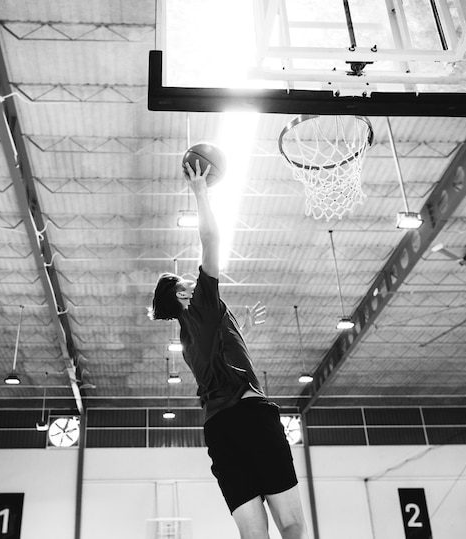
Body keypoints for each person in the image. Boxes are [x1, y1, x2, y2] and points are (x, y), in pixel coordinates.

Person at [149, 159, 309, 539]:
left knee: (253, 534)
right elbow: (211, 240)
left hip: (219, 431)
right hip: (251, 417)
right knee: (291, 524)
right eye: (186, 281)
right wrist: (200, 193)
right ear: (182, 295)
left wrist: (240, 329)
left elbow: (221, 355)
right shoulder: (201, 303)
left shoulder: (187, 340)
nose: (193, 280)